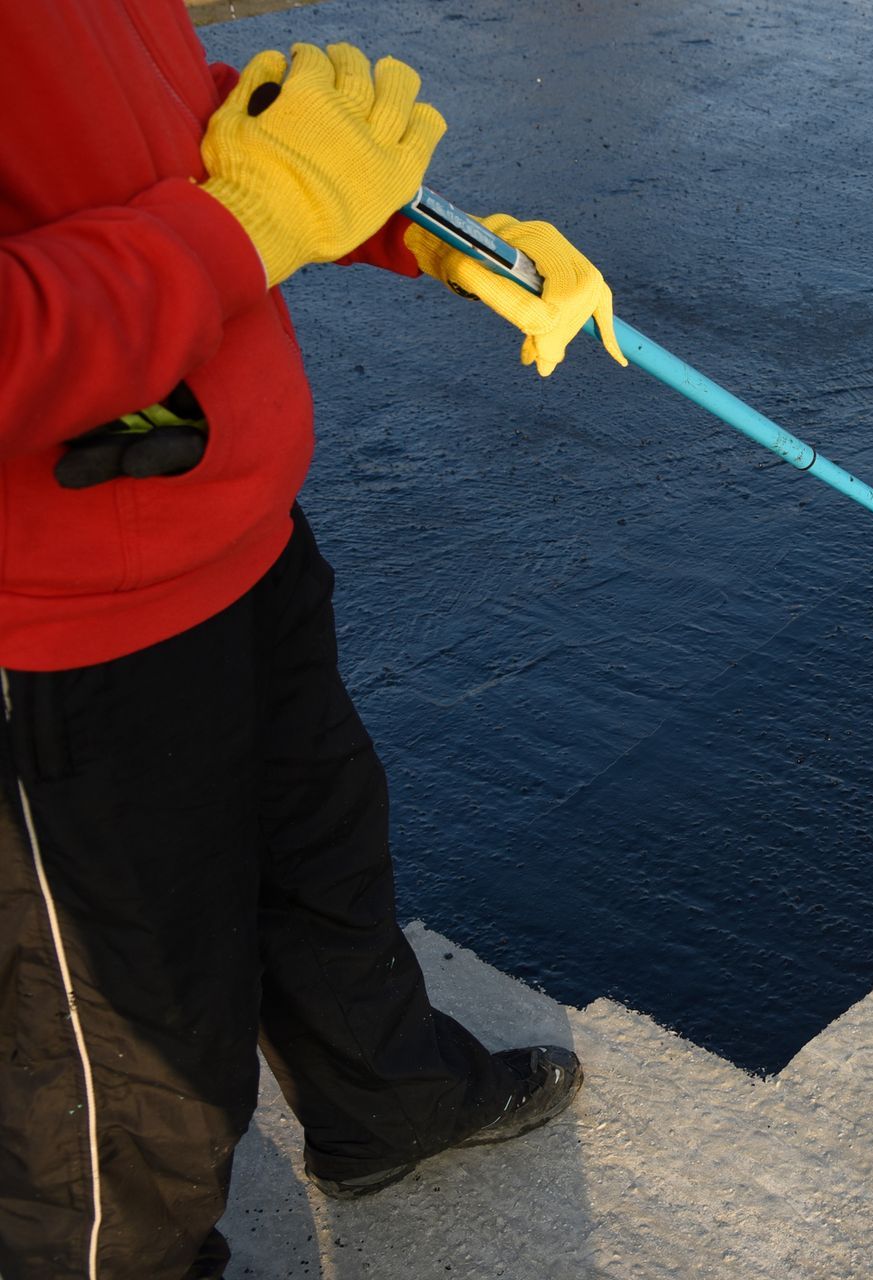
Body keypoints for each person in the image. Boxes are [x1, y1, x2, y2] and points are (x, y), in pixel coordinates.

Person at [1, 6, 629, 1277]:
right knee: (127, 1091)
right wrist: (246, 224)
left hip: (232, 532)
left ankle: (386, 1100)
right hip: (54, 627)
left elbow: (158, 120)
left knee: (321, 862)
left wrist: (424, 227)